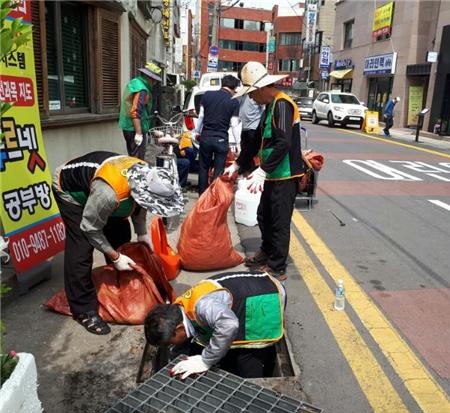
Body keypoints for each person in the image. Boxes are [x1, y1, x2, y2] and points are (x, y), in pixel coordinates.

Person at [52, 151, 184, 335]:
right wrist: (115, 257)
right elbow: (90, 227)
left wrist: (141, 233)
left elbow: (140, 205)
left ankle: (117, 286)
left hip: (102, 189)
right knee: (81, 246)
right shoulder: (109, 194)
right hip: (70, 190)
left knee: (121, 235)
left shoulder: (146, 176)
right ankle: (83, 309)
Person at [224, 62, 304, 282]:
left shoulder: (282, 105)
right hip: (272, 174)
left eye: (251, 94)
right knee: (264, 215)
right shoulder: (269, 107)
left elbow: (284, 143)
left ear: (260, 89)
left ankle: (277, 266)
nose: (250, 99)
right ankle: (266, 252)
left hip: (285, 175)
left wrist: (262, 170)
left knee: (279, 221)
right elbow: (256, 141)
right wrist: (239, 164)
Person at [144, 271, 286, 379]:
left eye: (169, 343)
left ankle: (254, 390)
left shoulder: (203, 307)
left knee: (246, 354)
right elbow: (185, 340)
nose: (170, 346)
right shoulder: (179, 309)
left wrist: (206, 360)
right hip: (246, 291)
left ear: (179, 328)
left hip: (264, 299)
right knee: (224, 345)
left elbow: (229, 325)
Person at [193, 75, 241, 195]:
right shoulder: (234, 101)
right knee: (218, 171)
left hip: (206, 138)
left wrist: (196, 132)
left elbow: (201, 117)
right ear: (234, 88)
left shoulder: (207, 95)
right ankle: (213, 198)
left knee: (203, 168)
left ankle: (202, 197)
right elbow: (234, 124)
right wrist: (239, 143)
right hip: (221, 139)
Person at [118, 62, 162, 159]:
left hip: (128, 126)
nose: (154, 83)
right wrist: (138, 133)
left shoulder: (135, 82)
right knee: (137, 160)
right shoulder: (142, 90)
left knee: (133, 156)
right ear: (149, 78)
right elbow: (135, 112)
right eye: (154, 80)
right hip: (134, 128)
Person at [237, 93, 264, 175]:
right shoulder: (243, 95)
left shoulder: (257, 95)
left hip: (254, 128)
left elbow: (263, 109)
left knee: (252, 152)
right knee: (244, 151)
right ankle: (245, 172)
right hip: (245, 128)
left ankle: (252, 173)